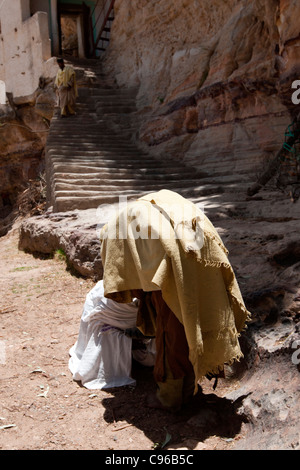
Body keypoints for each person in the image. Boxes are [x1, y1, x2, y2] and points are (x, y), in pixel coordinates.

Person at [99, 189, 251, 412]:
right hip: (201, 257)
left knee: (171, 332)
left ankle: (170, 398)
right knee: (193, 325)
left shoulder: (116, 229)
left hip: (175, 261)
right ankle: (187, 390)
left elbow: (122, 273)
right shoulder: (153, 207)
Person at [69, 280, 155, 390]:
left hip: (138, 302)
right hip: (115, 306)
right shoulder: (109, 302)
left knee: (150, 359)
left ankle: (131, 345)